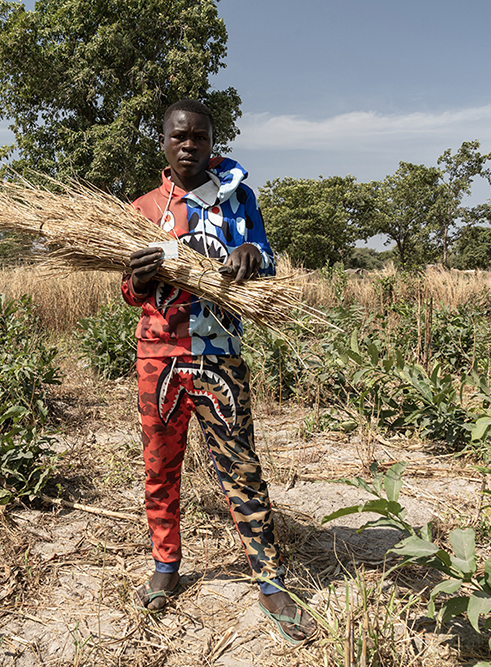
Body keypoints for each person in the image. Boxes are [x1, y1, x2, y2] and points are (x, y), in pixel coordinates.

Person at [121, 98, 315, 645]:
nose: (189, 146)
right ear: (163, 142)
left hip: (220, 354)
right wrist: (135, 279)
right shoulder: (142, 209)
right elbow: (128, 294)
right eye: (180, 137)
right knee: (160, 466)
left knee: (241, 467)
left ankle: (270, 580)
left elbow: (269, 261)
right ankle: (166, 566)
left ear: (213, 141)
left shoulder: (237, 198)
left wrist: (252, 251)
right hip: (158, 356)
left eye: (200, 137)